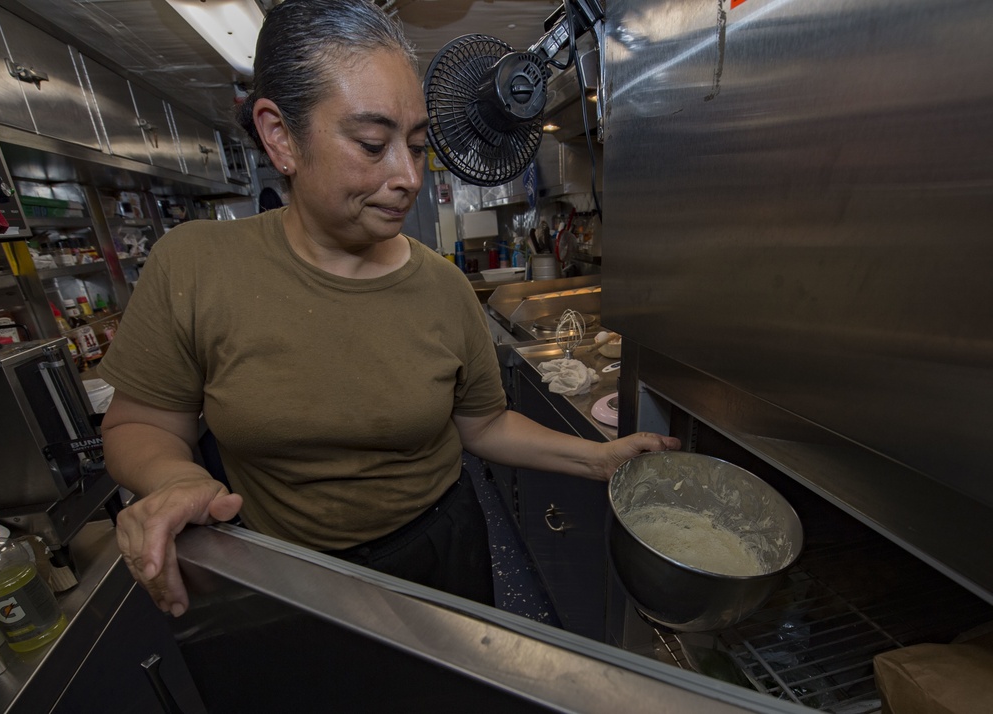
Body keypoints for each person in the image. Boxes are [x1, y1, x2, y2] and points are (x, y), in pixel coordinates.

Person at [99, 0, 680, 617]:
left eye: (418, 145)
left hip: (440, 549)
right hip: (287, 569)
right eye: (373, 144)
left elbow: (482, 425)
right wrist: (175, 478)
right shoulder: (194, 265)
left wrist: (599, 459)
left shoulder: (442, 287)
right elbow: (141, 427)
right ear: (280, 137)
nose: (408, 175)